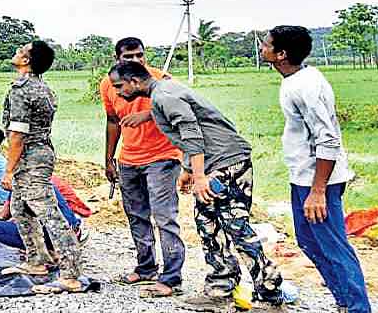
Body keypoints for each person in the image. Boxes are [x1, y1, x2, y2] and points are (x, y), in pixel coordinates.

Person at [113, 60, 285, 310]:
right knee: (208, 224)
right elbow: (189, 136)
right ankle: (220, 288)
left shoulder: (165, 96)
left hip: (228, 164)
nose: (118, 92)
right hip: (212, 163)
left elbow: (192, 133)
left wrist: (200, 176)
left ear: (135, 82)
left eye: (120, 86)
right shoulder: (163, 92)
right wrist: (188, 170)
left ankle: (270, 295)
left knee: (235, 226)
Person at [263, 26, 369, 313]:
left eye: (267, 44)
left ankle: (358, 307)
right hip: (303, 177)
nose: (262, 47)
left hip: (319, 181)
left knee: (333, 245)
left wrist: (319, 190)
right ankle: (345, 302)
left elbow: (328, 138)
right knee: (309, 240)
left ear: (281, 54)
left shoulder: (305, 86)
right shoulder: (294, 79)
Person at [0, 41, 84, 294]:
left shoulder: (22, 89)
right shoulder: (43, 88)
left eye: (21, 50)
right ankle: (37, 260)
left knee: (48, 213)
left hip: (31, 156)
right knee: (20, 208)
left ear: (26, 60)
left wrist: (9, 169)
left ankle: (70, 274)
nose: (16, 51)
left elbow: (17, 135)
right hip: (38, 153)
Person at [102, 37, 184, 297]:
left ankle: (171, 278)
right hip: (128, 159)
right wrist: (109, 159)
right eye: (129, 57)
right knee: (136, 215)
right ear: (118, 59)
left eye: (140, 55)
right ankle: (146, 267)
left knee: (164, 217)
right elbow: (112, 121)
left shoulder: (163, 80)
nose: (136, 61)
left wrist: (148, 114)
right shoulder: (109, 84)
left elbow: (181, 110)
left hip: (162, 157)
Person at [0, 181, 83, 251]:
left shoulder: (19, 182)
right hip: (74, 230)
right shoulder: (45, 180)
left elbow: (4, 215)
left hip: (56, 236)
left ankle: (40, 257)